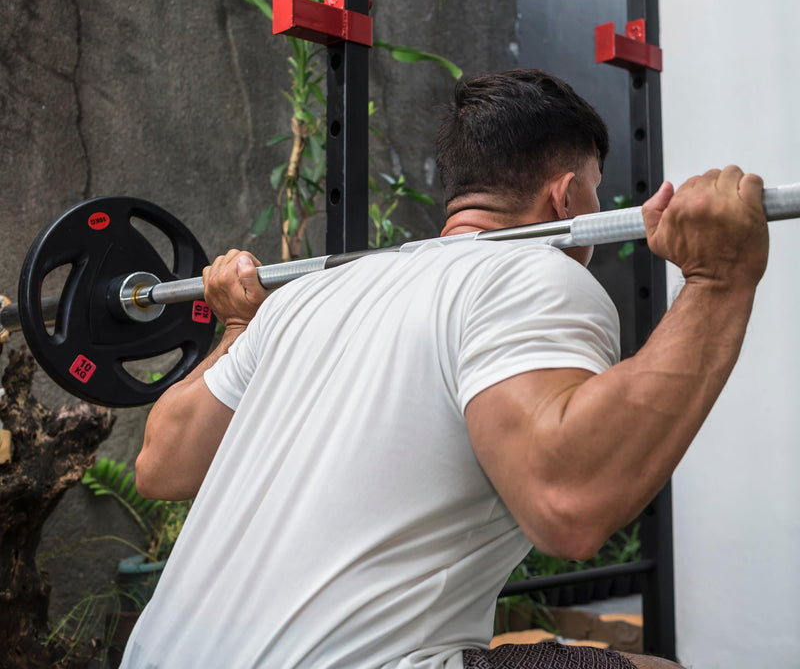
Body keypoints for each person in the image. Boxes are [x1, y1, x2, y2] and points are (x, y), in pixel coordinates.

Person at [121, 69, 768, 669]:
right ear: (567, 193)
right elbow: (567, 505)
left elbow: (161, 462)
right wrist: (719, 278)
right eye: (594, 190)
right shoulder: (533, 272)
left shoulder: (304, 299)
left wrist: (237, 324)